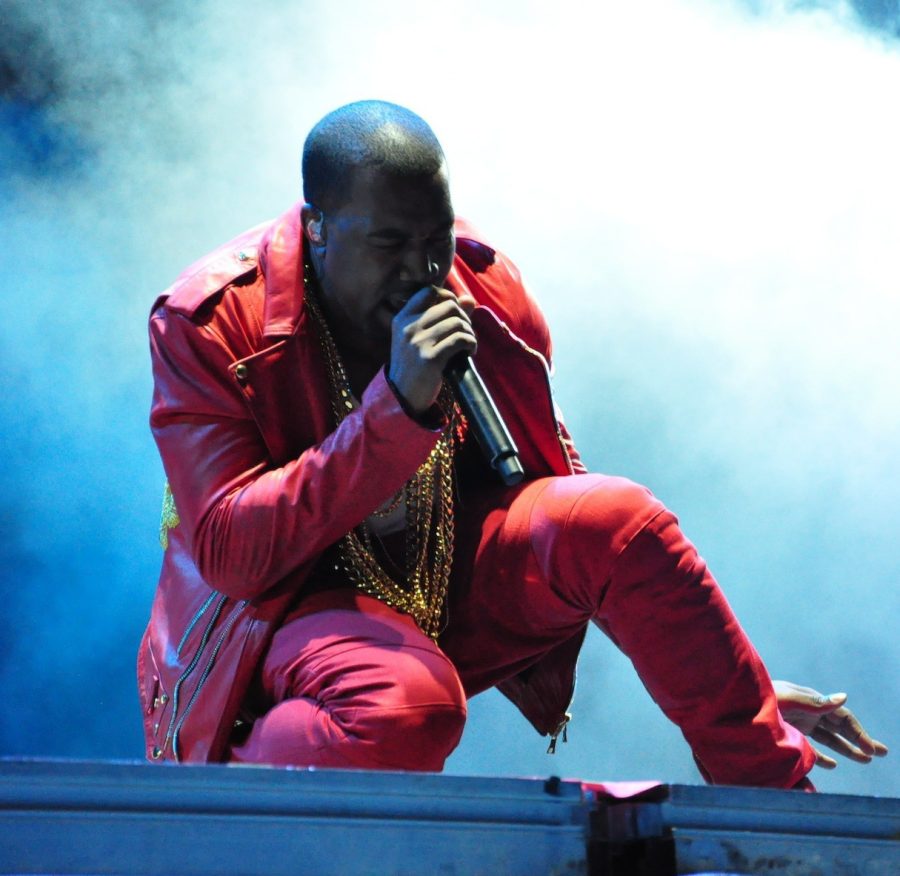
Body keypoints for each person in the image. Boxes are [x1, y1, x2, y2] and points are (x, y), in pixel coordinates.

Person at [138, 100, 887, 785]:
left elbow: (568, 513)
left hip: (432, 588)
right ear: (318, 227)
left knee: (618, 520)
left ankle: (780, 815)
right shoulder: (208, 325)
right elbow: (236, 555)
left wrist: (734, 685)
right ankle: (225, 802)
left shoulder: (485, 294)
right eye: (391, 244)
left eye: (435, 240)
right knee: (406, 706)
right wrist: (397, 408)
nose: (423, 272)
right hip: (276, 620)